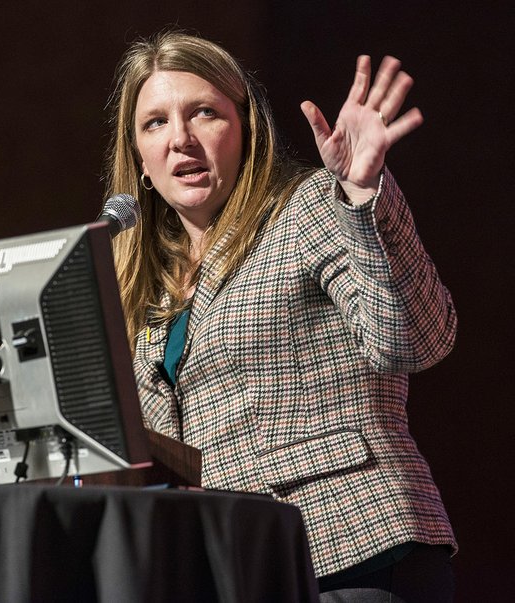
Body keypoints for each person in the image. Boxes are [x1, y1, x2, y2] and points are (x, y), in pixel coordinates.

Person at [102, 30, 457, 600]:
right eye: (156, 123)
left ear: (245, 129)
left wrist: (363, 196)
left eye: (204, 114)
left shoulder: (309, 208)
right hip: (234, 571)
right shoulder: (145, 292)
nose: (181, 140)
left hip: (352, 553)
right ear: (140, 159)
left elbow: (415, 339)